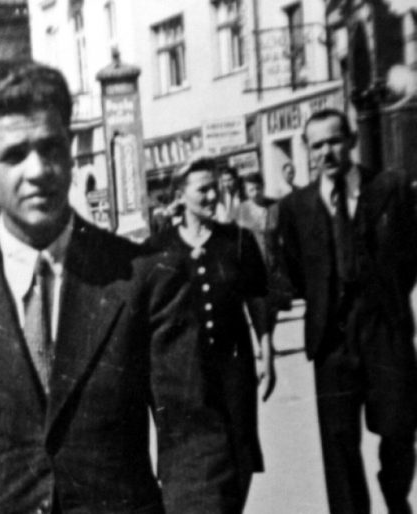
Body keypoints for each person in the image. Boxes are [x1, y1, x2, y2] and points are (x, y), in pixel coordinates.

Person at [0, 60, 238, 513]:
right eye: (14, 155)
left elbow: (194, 444)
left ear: (71, 152)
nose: (38, 170)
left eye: (51, 148)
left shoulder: (147, 278)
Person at [278, 108, 417, 514]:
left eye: (334, 141)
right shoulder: (296, 207)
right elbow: (295, 269)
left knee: (399, 425)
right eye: (317, 145)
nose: (326, 152)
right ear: (307, 150)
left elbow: (410, 253)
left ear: (352, 141)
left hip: (384, 330)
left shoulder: (389, 188)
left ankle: (395, 493)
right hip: (331, 339)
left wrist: (387, 296)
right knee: (338, 444)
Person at [147, 156, 276, 512]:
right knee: (189, 460)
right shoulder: (157, 249)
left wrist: (267, 353)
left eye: (215, 188)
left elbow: (257, 299)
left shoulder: (237, 240)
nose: (212, 196)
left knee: (241, 453)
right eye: (202, 189)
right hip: (182, 375)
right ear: (180, 195)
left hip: (234, 370)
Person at [235, 173, 291, 328]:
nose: (255, 193)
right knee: (259, 309)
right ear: (246, 191)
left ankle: (269, 336)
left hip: (274, 264)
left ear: (263, 187)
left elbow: (284, 232)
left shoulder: (274, 206)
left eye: (258, 188)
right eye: (251, 190)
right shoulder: (241, 211)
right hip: (252, 266)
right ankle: (264, 338)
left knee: (274, 307)